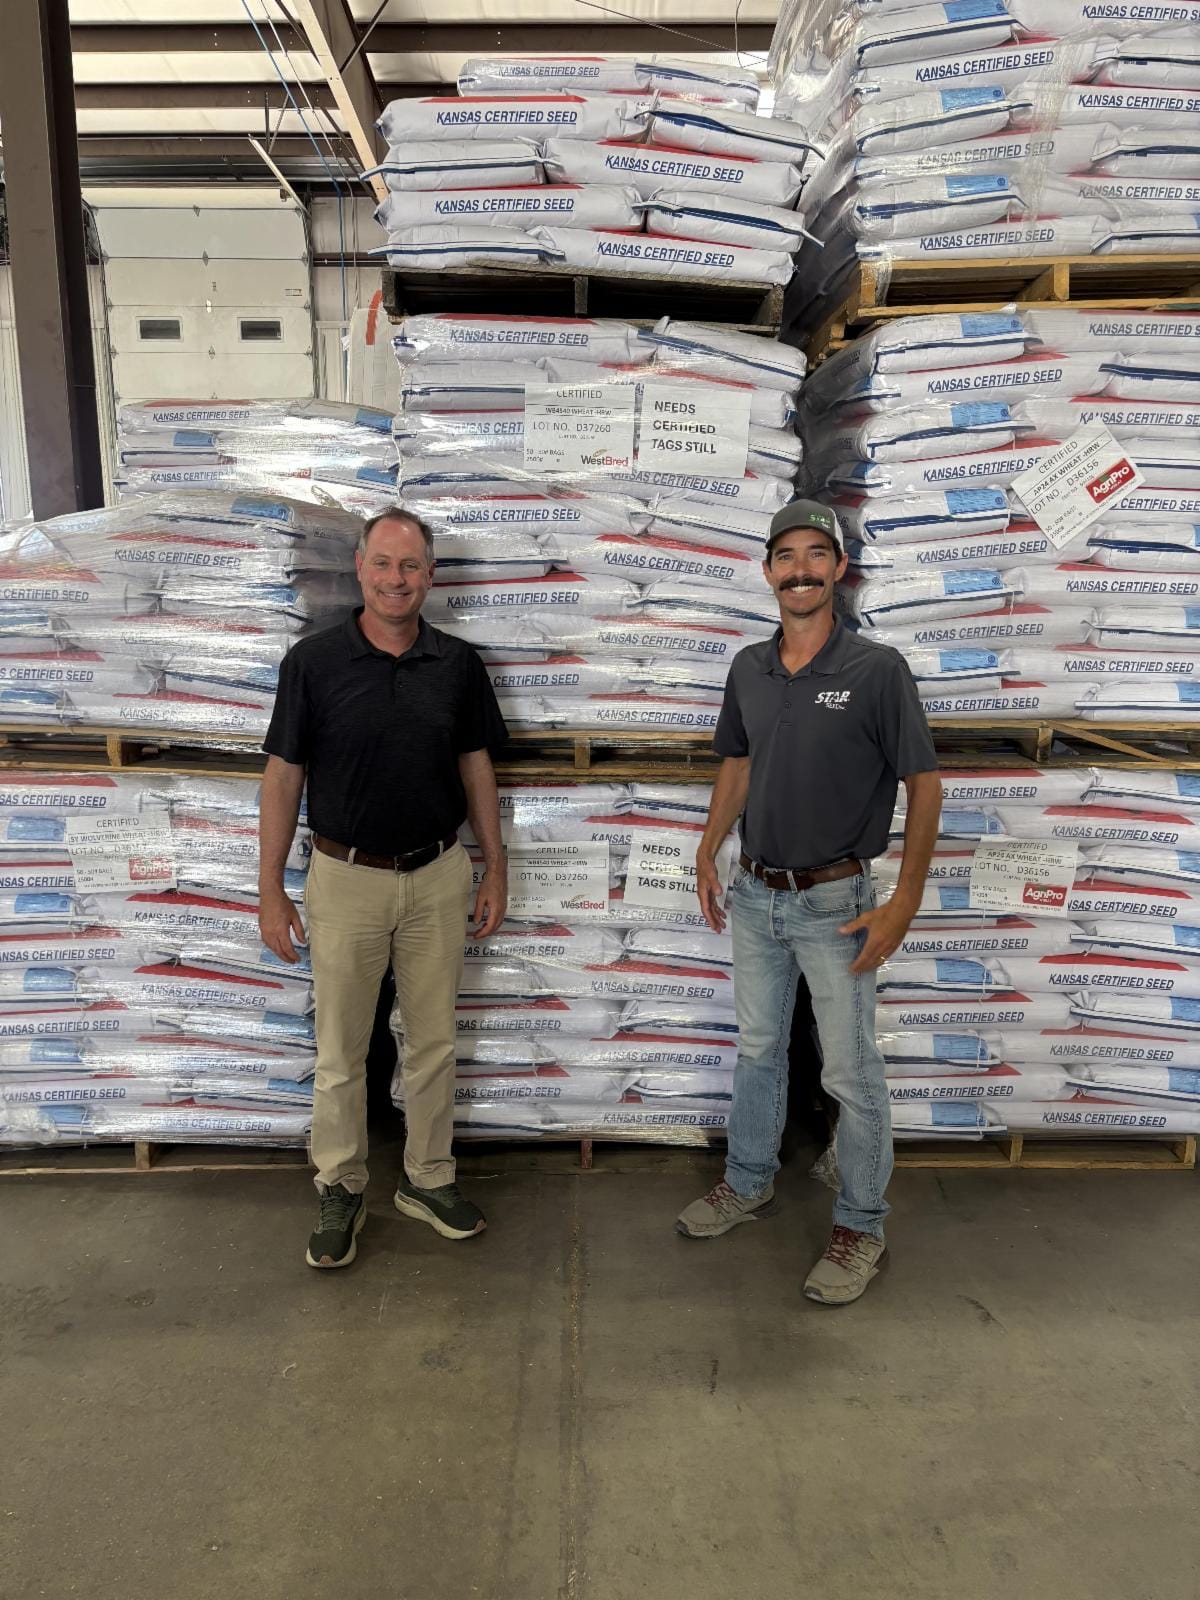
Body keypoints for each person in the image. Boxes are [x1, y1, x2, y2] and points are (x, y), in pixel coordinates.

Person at [676, 499, 942, 1306]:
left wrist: (903, 901)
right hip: (757, 894)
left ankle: (861, 1225)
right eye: (786, 556)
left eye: (816, 555)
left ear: (839, 569)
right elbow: (738, 762)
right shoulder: (749, 669)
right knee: (759, 1048)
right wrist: (708, 846)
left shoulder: (876, 671)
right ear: (768, 571)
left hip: (836, 903)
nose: (800, 570)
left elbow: (924, 785)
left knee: (850, 1071)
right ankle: (749, 1179)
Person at [258, 507, 508, 1270]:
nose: (395, 579)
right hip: (345, 879)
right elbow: (283, 776)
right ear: (359, 569)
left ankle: (428, 1179)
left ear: (430, 576)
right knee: (341, 1050)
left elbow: (476, 767)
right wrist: (270, 888)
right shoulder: (314, 663)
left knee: (432, 1044)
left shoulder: (457, 665)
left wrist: (495, 865)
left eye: (410, 566)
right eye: (383, 563)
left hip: (436, 875)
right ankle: (340, 1185)